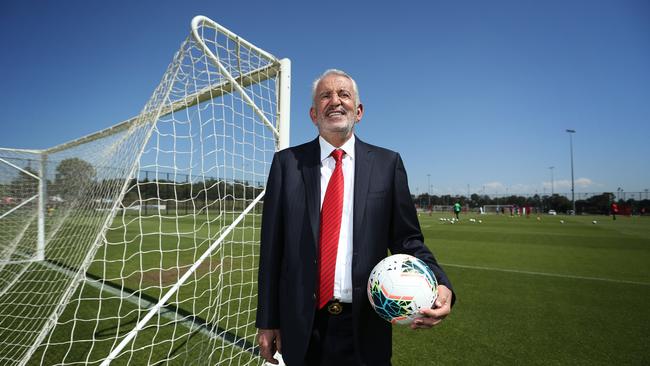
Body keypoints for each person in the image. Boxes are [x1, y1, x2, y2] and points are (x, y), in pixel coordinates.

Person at [256, 69, 455, 366]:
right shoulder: (287, 164)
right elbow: (272, 249)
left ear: (358, 111)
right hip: (301, 326)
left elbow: (407, 239)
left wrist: (441, 282)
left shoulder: (388, 164)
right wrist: (267, 320)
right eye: (325, 96)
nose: (335, 101)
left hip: (365, 324)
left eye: (343, 94)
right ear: (313, 114)